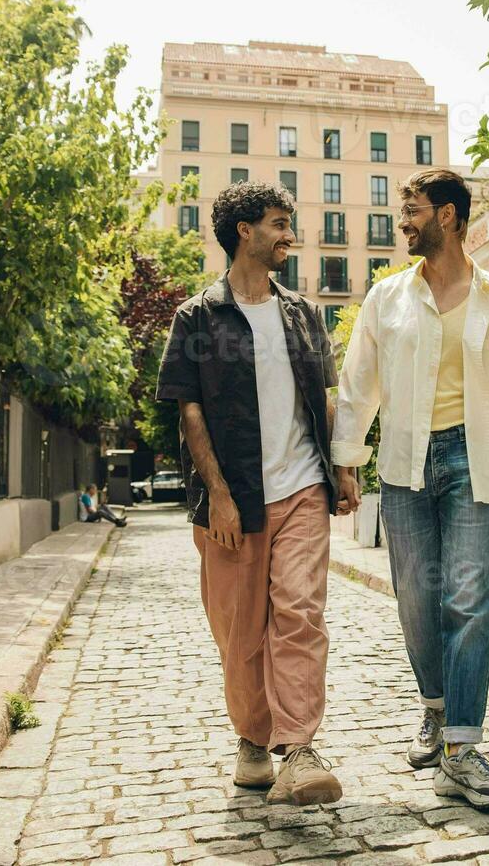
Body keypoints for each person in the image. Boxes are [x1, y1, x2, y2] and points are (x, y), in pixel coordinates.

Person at [332, 168, 489, 810]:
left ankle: (462, 748)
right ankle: (434, 707)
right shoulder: (386, 297)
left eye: (412, 212)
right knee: (416, 600)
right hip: (402, 465)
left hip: (471, 461)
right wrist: (347, 459)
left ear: (447, 216)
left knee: (471, 599)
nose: (403, 224)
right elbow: (358, 382)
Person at [156, 180, 346, 806]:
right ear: (244, 231)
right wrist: (219, 495)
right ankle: (253, 741)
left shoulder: (302, 312)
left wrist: (341, 468)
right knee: (240, 632)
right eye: (277, 223)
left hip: (301, 490)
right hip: (234, 496)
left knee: (299, 612)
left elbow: (322, 395)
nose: (289, 234)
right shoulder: (197, 316)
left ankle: (299, 747)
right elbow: (189, 413)